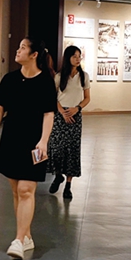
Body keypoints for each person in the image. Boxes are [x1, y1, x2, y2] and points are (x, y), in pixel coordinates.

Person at [0, 37, 56, 260]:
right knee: (17, 191)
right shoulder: (10, 79)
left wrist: (44, 141)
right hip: (11, 139)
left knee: (26, 190)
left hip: (34, 142)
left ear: (34, 55)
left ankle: (17, 240)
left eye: (23, 48)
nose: (18, 51)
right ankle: (25, 236)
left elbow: (48, 113)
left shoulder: (45, 81)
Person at [48, 45, 91, 200]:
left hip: (75, 116)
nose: (78, 59)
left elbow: (87, 98)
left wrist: (77, 108)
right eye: (74, 56)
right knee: (56, 148)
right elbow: (53, 97)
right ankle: (58, 175)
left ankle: (68, 184)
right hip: (60, 116)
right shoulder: (59, 76)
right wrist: (61, 111)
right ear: (68, 58)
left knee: (72, 150)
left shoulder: (84, 76)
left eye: (79, 56)